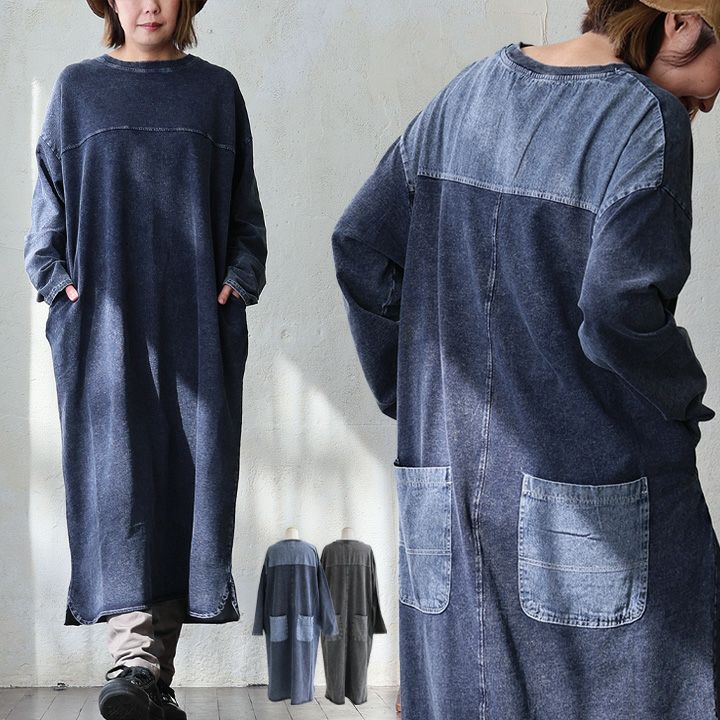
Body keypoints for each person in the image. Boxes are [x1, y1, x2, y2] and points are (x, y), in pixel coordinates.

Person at [332, 1, 720, 718]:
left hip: (448, 491)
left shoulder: (467, 92)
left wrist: (413, 398)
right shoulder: (647, 120)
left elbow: (361, 245)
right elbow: (619, 308)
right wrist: (681, 395)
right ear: (683, 23)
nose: (710, 101)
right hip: (587, 488)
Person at [23, 1, 267, 719]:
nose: (148, 4)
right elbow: (46, 212)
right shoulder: (78, 90)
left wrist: (240, 278)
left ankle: (148, 679)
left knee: (188, 482)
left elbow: (245, 216)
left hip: (196, 322)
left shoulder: (215, 92)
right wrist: (57, 283)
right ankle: (135, 662)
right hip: (104, 324)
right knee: (118, 482)